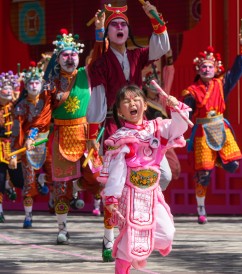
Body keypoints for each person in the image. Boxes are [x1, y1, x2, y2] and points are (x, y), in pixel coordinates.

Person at [87, 2, 171, 261]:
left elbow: (161, 47)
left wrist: (154, 17)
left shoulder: (136, 55)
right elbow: (97, 103)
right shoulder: (100, 64)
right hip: (115, 129)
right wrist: (93, 136)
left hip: (142, 130)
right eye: (115, 25)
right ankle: (109, 238)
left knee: (164, 175)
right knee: (114, 185)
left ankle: (143, 223)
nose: (120, 28)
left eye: (123, 24)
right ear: (108, 32)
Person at [99, 84, 190, 273]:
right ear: (120, 111)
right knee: (130, 238)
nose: (132, 103)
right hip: (130, 195)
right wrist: (112, 197)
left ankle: (139, 249)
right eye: (126, 101)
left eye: (136, 99)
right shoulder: (121, 137)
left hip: (152, 194)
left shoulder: (157, 127)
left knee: (166, 233)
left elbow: (179, 127)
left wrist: (175, 108)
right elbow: (117, 171)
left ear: (145, 105)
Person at [182, 30, 242, 224]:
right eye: (203, 67)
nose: (206, 70)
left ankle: (219, 159)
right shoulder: (192, 91)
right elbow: (186, 111)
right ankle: (201, 207)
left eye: (210, 67)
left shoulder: (221, 84)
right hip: (202, 132)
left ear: (216, 68)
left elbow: (238, 69)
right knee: (203, 174)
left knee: (233, 165)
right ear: (198, 69)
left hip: (221, 128)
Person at [44, 29, 103, 245]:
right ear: (58, 58)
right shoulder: (51, 83)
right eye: (65, 55)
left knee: (97, 177)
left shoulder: (86, 74)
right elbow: (43, 114)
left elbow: (99, 54)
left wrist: (99, 31)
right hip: (61, 136)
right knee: (60, 188)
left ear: (79, 56)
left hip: (86, 135)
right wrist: (34, 134)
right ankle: (62, 229)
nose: (70, 58)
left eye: (73, 54)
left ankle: (78, 187)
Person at [11, 61, 51, 228]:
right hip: (28, 146)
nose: (34, 86)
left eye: (37, 82)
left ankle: (42, 179)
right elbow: (16, 130)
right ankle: (28, 216)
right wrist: (14, 153)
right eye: (31, 83)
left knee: (56, 175)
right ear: (26, 86)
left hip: (47, 142)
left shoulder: (47, 102)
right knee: (28, 183)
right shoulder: (20, 107)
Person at [143, 54, 181, 189]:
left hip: (163, 138)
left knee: (174, 168)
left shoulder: (162, 100)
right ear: (145, 85)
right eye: (151, 83)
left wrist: (170, 59)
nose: (154, 86)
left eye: (157, 82)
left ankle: (157, 191)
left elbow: (169, 77)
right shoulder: (141, 102)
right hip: (148, 139)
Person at [0, 71, 24, 223]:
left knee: (19, 181)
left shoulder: (16, 108)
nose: (8, 91)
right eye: (4, 88)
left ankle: (10, 185)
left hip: (14, 146)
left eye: (11, 88)